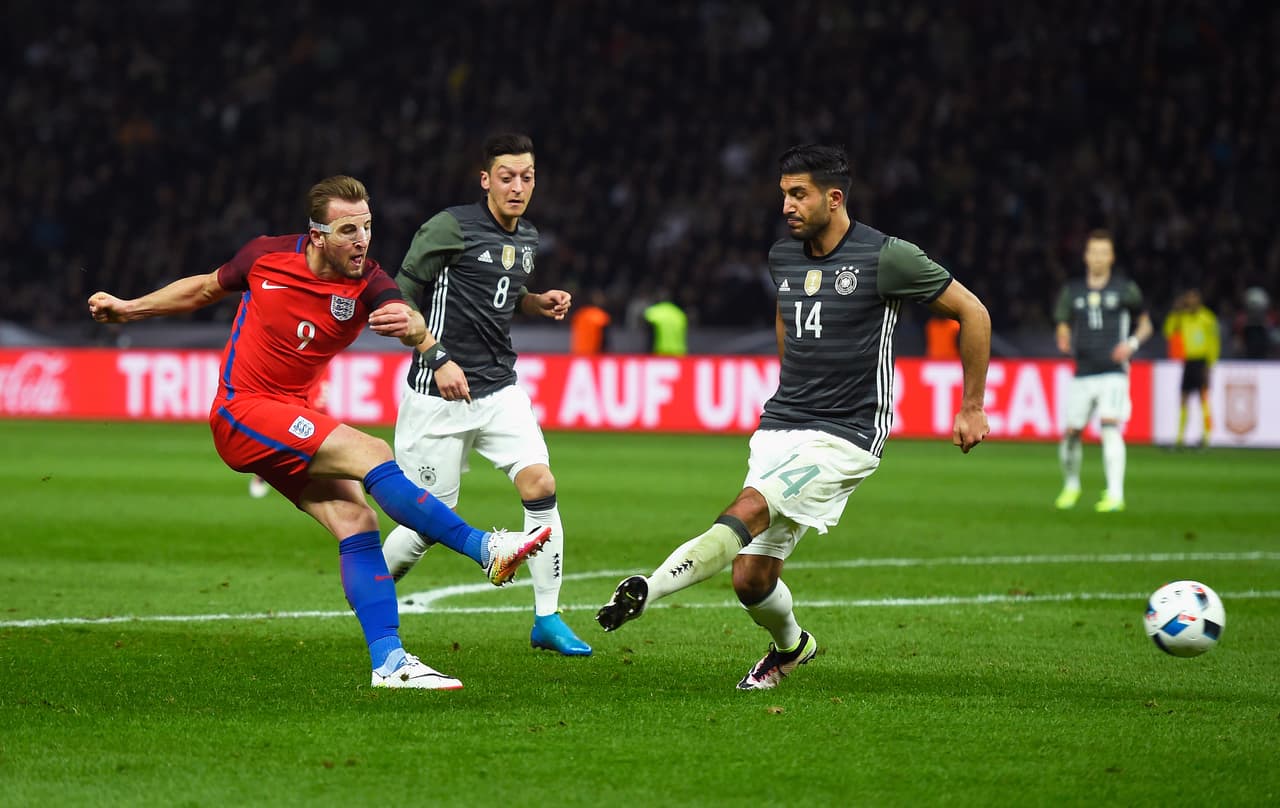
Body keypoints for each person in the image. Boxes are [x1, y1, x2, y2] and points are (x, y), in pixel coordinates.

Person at [87, 175, 550, 690]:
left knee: (357, 521)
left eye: (367, 227)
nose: (361, 240)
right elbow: (202, 288)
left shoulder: (368, 282)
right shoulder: (265, 258)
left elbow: (406, 314)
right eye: (347, 229)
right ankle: (484, 548)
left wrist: (429, 349)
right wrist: (129, 308)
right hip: (243, 410)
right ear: (317, 235)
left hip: (288, 417)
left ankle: (389, 663)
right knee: (370, 449)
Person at [595, 144, 991, 690]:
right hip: (782, 425)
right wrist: (795, 382)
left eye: (799, 194)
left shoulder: (887, 256)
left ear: (834, 197)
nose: (787, 204)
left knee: (749, 508)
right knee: (750, 578)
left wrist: (972, 405)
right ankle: (792, 647)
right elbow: (788, 318)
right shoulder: (784, 257)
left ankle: (647, 587)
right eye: (783, 193)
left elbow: (974, 311)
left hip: (846, 435)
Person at [379, 133, 591, 656]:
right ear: (485, 180)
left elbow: (500, 293)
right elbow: (397, 298)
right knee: (427, 524)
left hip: (500, 388)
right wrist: (436, 356)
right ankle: (369, 586)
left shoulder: (528, 237)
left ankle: (548, 617)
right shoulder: (449, 226)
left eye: (527, 177)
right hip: (438, 394)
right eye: (506, 177)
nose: (518, 187)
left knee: (540, 483)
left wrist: (536, 302)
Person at [1051, 229, 1153, 512]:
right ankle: (1071, 486)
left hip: (1113, 371)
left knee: (1110, 426)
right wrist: (1062, 334)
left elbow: (1146, 324)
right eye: (1093, 252)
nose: (1097, 258)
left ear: (1111, 257)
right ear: (1086, 256)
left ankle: (1115, 494)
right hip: (1082, 371)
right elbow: (1062, 320)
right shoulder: (1073, 291)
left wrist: (1131, 344)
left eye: (1103, 253)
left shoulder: (1125, 289)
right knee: (1071, 432)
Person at [1162, 289, 1219, 449]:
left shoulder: (1207, 318)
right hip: (1188, 362)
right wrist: (1175, 312)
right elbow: (1168, 331)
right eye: (1188, 298)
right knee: (1184, 398)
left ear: (1199, 300)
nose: (1191, 301)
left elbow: (1214, 342)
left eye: (1193, 298)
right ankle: (1180, 439)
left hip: (1202, 362)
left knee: (1203, 398)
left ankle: (1206, 438)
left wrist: (1210, 365)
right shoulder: (1182, 317)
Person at [570, 288, 612, 355]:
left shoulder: (579, 314)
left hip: (578, 353)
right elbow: (604, 340)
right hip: (594, 354)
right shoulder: (601, 316)